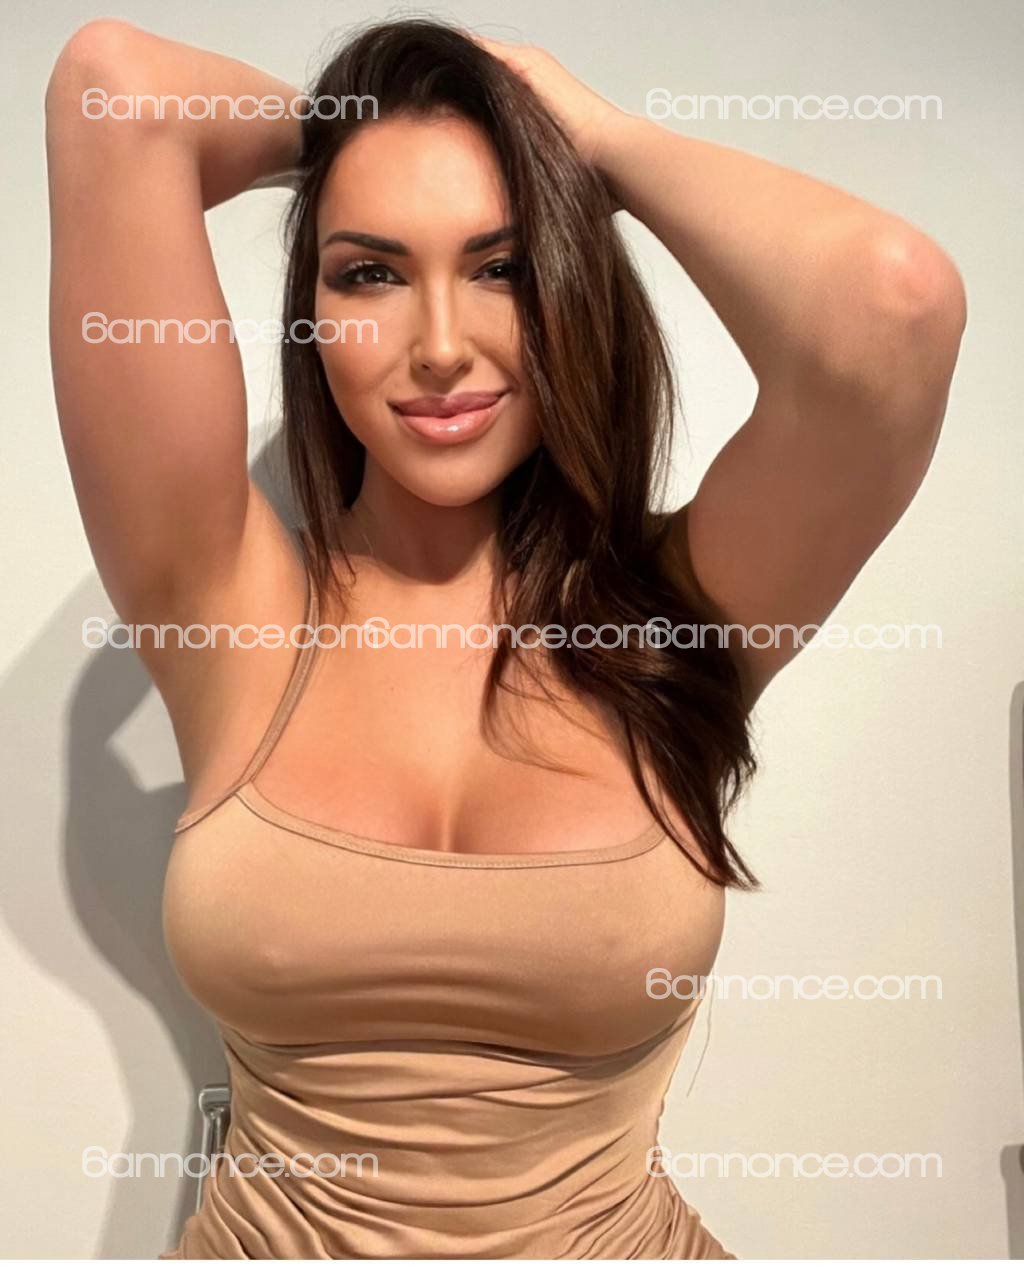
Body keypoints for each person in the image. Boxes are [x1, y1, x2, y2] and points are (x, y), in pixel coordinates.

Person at [44, 15, 966, 1260]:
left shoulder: (677, 616)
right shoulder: (226, 610)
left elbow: (893, 306)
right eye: (369, 273)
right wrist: (351, 131)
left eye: (504, 268)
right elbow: (118, 94)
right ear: (309, 311)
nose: (439, 347)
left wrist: (593, 141)